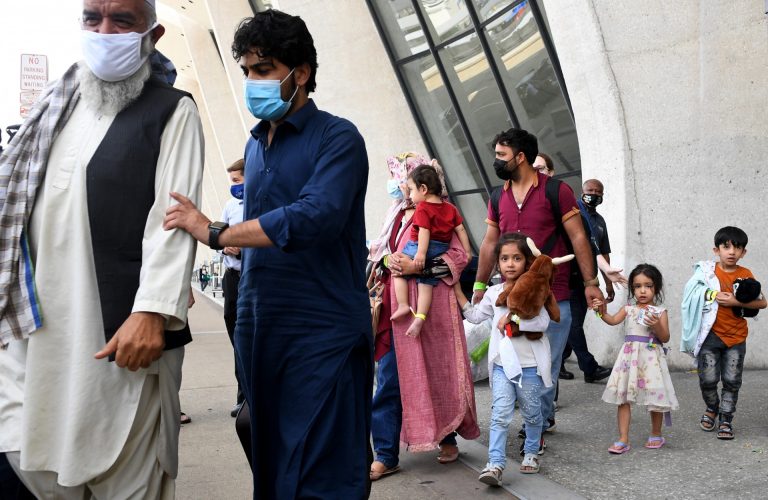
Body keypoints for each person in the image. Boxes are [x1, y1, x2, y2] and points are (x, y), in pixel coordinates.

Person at [162, 9, 372, 498]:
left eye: (263, 69)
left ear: (300, 73)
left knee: (326, 471)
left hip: (323, 333)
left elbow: (315, 216)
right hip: (261, 330)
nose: (252, 82)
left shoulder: (338, 137)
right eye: (246, 72)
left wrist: (215, 232)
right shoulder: (255, 145)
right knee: (272, 462)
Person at [0, 0, 204, 497]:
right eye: (93, 18)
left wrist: (152, 311)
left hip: (123, 339)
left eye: (122, 21)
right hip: (39, 336)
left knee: (128, 474)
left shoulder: (172, 111)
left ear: (153, 35)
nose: (104, 31)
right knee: (31, 457)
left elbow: (172, 219)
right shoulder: (54, 110)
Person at [473, 128, 605, 436]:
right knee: (513, 363)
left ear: (520, 157)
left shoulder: (556, 191)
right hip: (511, 297)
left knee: (546, 365)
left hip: (553, 294)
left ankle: (538, 423)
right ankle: (539, 420)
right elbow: (490, 243)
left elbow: (578, 237)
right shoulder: (498, 196)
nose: (496, 161)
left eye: (501, 155)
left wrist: (590, 282)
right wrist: (479, 285)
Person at [368, 153, 476, 480]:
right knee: (389, 379)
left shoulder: (441, 211)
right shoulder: (395, 216)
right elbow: (382, 256)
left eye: (403, 179)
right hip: (398, 311)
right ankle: (386, 453)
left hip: (435, 308)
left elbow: (462, 255)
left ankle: (447, 437)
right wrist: (389, 262)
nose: (400, 185)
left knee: (440, 372)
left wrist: (420, 266)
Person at [456, 233, 555, 485]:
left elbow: (543, 322)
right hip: (501, 365)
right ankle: (495, 464)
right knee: (500, 414)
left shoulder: (535, 288)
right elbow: (475, 317)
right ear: (498, 263)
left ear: (527, 261)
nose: (510, 264)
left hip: (530, 367)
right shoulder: (493, 292)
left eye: (517, 258)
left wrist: (514, 320)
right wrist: (457, 291)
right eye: (504, 258)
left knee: (532, 414)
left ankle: (531, 451)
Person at [681, 226, 766, 440]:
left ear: (743, 252)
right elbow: (691, 292)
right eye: (726, 247)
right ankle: (712, 408)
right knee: (707, 380)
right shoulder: (706, 273)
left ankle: (726, 419)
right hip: (710, 337)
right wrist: (711, 294)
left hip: (736, 338)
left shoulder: (746, 275)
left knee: (732, 381)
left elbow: (762, 302)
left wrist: (735, 301)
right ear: (716, 250)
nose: (731, 252)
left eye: (737, 248)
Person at [592, 264, 678, 453]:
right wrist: (599, 310)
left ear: (656, 288)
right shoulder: (628, 309)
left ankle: (656, 433)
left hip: (651, 359)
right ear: (632, 289)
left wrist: (656, 325)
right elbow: (612, 320)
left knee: (655, 397)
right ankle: (623, 438)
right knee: (623, 398)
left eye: (648, 286)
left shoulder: (660, 312)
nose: (642, 291)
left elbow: (665, 337)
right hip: (629, 358)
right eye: (638, 286)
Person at [390, 165, 472, 337]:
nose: (409, 195)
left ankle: (403, 304)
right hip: (441, 248)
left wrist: (420, 253)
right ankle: (420, 317)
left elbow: (424, 231)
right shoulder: (450, 208)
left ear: (423, 189)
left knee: (397, 268)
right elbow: (461, 229)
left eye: (411, 190)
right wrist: (467, 251)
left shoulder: (422, 208)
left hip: (420, 246)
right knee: (426, 283)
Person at [564, 179, 615, 383]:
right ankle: (589, 368)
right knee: (573, 323)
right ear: (582, 191)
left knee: (573, 323)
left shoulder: (600, 221)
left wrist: (608, 282)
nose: (593, 194)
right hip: (570, 278)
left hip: (588, 281)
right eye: (590, 190)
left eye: (597, 191)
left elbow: (603, 253)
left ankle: (558, 362)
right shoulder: (573, 213)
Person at [220, 159, 246, 417]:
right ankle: (243, 397)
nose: (234, 186)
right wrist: (224, 246)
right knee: (237, 338)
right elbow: (218, 236)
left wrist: (242, 250)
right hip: (232, 279)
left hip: (255, 278)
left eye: (237, 181)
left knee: (250, 336)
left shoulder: (264, 204)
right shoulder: (230, 206)